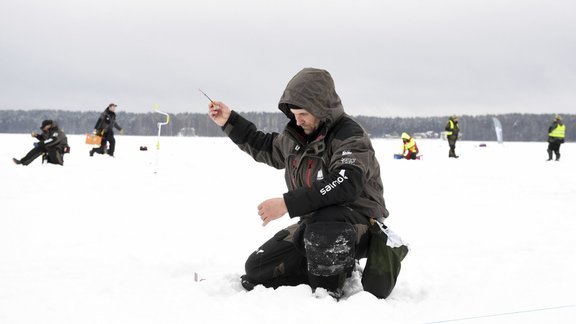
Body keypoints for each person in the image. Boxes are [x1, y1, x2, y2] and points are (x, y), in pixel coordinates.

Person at [208, 68, 403, 298]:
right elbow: (265, 146)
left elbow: (345, 182)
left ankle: (327, 290)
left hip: (357, 224)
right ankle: (328, 269)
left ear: (321, 108)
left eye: (303, 114)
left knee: (326, 223)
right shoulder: (297, 137)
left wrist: (287, 204)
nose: (298, 121)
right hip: (313, 224)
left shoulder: (349, 135)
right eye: (293, 114)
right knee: (258, 268)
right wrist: (229, 121)